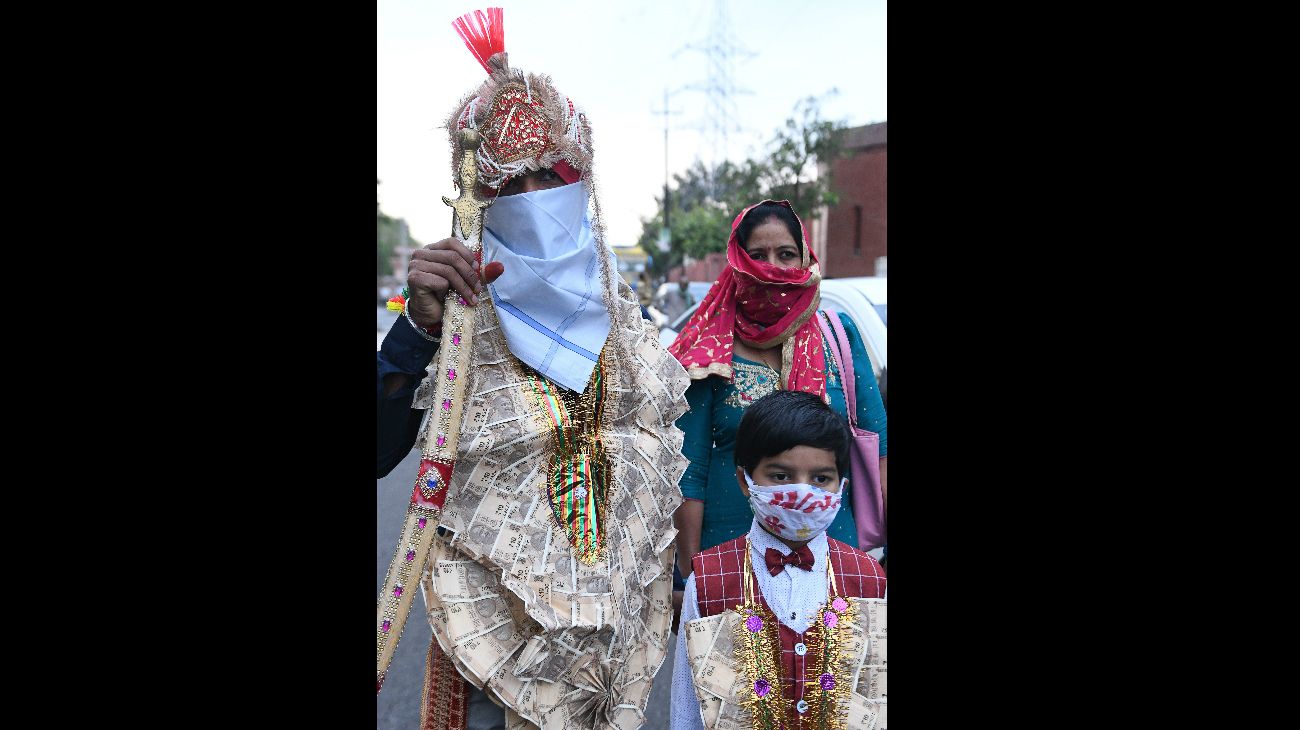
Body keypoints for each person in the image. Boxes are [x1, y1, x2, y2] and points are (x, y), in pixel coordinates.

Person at [377, 9, 689, 729]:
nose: (531, 203)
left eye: (550, 179)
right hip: (484, 645)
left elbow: (656, 475)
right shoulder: (449, 316)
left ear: (583, 185)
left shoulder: (630, 330)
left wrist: (670, 582)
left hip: (604, 652)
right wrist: (418, 328)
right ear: (475, 197)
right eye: (508, 186)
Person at [667, 200, 888, 573]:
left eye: (786, 254)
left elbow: (878, 443)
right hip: (732, 558)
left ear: (804, 258)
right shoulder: (710, 348)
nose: (772, 266)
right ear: (738, 260)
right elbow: (690, 467)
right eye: (758, 254)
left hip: (833, 554)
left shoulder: (838, 335)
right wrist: (689, 576)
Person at [669, 390, 886, 729]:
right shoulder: (710, 578)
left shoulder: (869, 580)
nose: (802, 494)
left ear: (841, 485)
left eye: (820, 479)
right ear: (745, 480)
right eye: (781, 477)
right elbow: (687, 708)